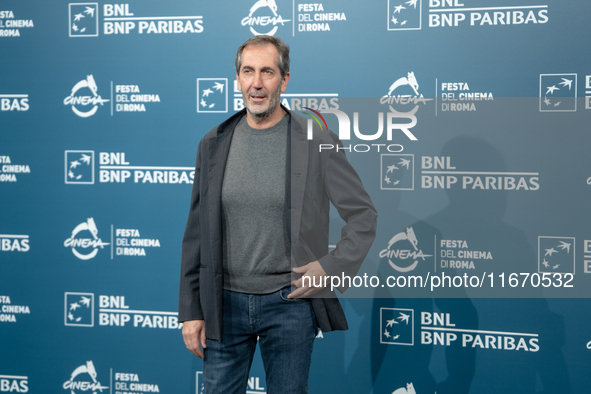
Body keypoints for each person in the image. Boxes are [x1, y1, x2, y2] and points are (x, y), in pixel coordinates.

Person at [179, 35, 377, 394]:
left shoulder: (317, 141)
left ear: (284, 80)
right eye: (248, 71)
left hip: (289, 305)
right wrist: (192, 309)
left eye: (267, 72)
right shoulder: (213, 143)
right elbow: (196, 234)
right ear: (237, 79)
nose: (257, 83)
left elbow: (363, 216)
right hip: (224, 305)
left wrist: (330, 267)